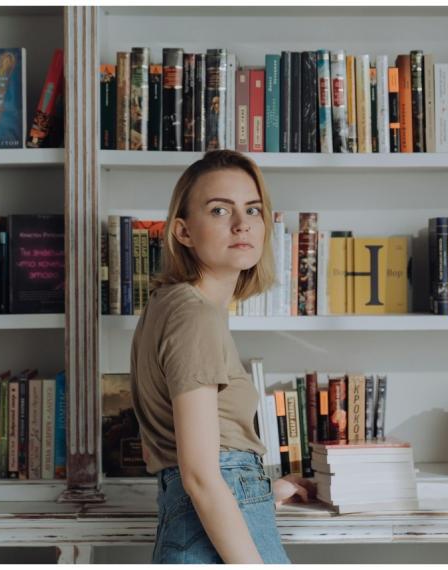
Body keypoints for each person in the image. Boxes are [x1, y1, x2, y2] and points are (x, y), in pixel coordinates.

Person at [130, 149, 316, 564]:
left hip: (206, 513)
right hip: (207, 522)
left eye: (253, 209)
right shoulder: (193, 314)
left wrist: (261, 489)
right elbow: (199, 475)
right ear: (182, 231)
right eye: (219, 210)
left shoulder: (171, 304)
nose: (242, 224)